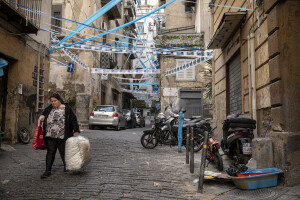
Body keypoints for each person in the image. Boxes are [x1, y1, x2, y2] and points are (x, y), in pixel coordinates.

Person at [39, 93, 80, 179]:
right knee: (50, 152)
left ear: (59, 100)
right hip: (50, 135)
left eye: (55, 101)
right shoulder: (49, 108)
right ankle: (47, 171)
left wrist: (76, 130)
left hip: (62, 135)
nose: (53, 103)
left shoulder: (67, 108)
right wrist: (42, 117)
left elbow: (73, 119)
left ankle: (66, 166)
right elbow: (43, 114)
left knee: (63, 152)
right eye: (52, 101)